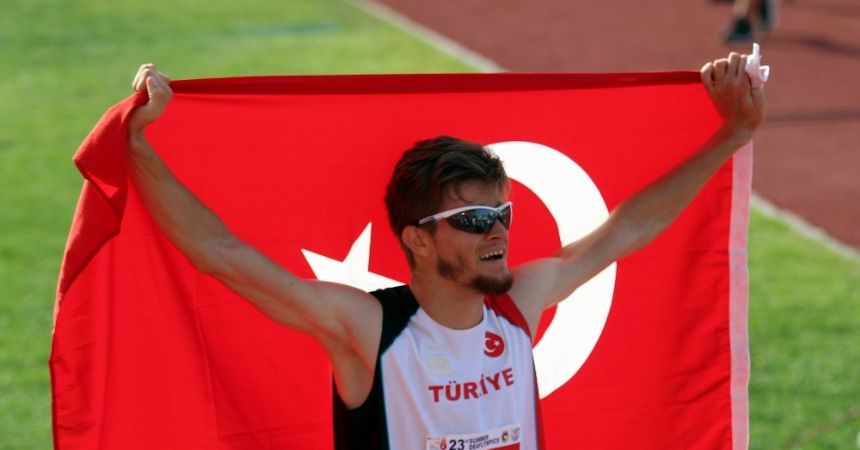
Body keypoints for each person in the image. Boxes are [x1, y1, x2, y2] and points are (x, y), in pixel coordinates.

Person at [128, 52, 765, 449]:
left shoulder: (519, 305)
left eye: (502, 215)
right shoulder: (368, 328)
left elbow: (628, 229)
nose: (498, 233)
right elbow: (219, 252)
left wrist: (731, 135)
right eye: (475, 219)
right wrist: (137, 146)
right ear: (418, 238)